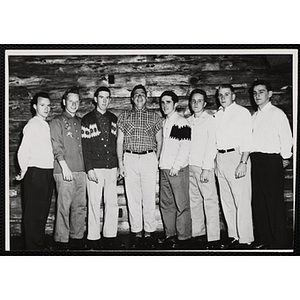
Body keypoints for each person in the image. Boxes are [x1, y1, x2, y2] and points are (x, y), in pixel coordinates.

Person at [117, 84, 162, 249]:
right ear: (131, 98)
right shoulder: (124, 116)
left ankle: (149, 231)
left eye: (142, 94)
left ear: (146, 97)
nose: (139, 97)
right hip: (129, 157)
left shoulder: (154, 116)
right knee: (133, 197)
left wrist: (155, 159)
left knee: (149, 196)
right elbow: (119, 141)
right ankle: (136, 231)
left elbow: (160, 140)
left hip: (149, 157)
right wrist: (120, 163)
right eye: (136, 94)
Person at [250, 80, 293, 249]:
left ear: (270, 94)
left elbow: (287, 138)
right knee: (259, 202)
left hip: (272, 161)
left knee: (274, 203)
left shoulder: (277, 114)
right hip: (256, 161)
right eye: (255, 93)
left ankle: (280, 241)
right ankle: (264, 239)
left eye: (261, 92)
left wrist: (285, 157)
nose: (257, 96)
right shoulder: (253, 117)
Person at [214, 84, 254, 248]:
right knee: (227, 201)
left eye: (226, 94)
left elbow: (247, 138)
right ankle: (234, 236)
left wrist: (243, 162)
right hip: (220, 158)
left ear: (233, 96)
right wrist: (215, 162)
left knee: (241, 200)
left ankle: (245, 238)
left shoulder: (241, 113)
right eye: (220, 95)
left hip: (237, 157)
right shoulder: (217, 115)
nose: (223, 98)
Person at [81, 86, 120, 250]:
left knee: (111, 202)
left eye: (107, 97)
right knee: (94, 202)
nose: (104, 100)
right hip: (95, 167)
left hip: (111, 166)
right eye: (101, 97)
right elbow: (85, 146)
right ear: (95, 99)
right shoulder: (87, 119)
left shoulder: (113, 118)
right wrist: (89, 168)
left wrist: (118, 165)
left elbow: (117, 144)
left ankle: (110, 235)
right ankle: (93, 236)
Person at [16, 92, 54, 250]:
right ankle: (32, 249)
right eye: (42, 105)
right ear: (35, 106)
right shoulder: (32, 124)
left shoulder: (44, 124)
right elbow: (22, 151)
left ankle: (38, 244)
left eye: (48, 105)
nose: (46, 108)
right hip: (35, 173)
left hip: (46, 172)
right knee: (33, 214)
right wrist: (24, 170)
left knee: (42, 212)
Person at [50, 88, 86, 250]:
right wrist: (64, 166)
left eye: (76, 102)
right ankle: (61, 240)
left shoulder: (81, 122)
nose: (73, 104)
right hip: (64, 170)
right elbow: (56, 146)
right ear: (64, 102)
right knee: (64, 206)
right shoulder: (57, 121)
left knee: (80, 205)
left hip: (81, 169)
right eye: (70, 101)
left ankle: (77, 237)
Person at [158, 90, 192, 249]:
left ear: (175, 104)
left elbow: (185, 147)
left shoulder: (181, 122)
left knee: (181, 205)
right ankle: (170, 235)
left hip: (176, 170)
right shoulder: (165, 122)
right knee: (166, 204)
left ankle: (184, 238)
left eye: (168, 102)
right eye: (163, 102)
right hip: (164, 169)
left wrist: (175, 167)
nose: (165, 105)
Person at [187, 89, 220, 249]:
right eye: (193, 100)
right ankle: (198, 233)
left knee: (210, 201)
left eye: (199, 101)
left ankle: (213, 237)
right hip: (190, 166)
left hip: (204, 166)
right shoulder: (187, 121)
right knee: (194, 201)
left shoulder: (210, 120)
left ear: (205, 103)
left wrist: (207, 168)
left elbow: (212, 145)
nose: (196, 104)